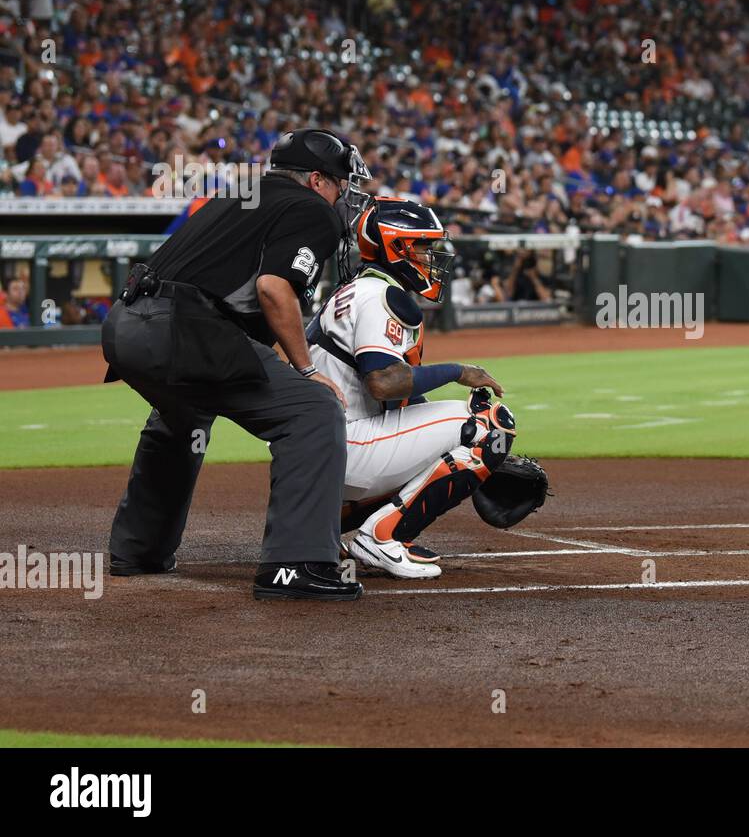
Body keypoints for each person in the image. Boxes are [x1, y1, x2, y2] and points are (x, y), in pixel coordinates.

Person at [102, 128, 368, 600]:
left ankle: (138, 549)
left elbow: (234, 300)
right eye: (339, 182)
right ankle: (295, 564)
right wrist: (307, 373)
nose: (344, 193)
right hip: (181, 329)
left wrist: (284, 356)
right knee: (312, 410)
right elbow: (273, 288)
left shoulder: (242, 196)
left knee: (183, 414)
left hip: (127, 324)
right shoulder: (311, 209)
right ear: (315, 180)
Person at [307, 199, 546, 579]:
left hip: (316, 455)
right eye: (422, 246)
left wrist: (472, 463)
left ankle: (317, 529)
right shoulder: (384, 296)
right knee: (489, 423)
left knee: (446, 439)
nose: (431, 256)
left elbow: (398, 398)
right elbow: (383, 383)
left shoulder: (351, 291)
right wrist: (458, 372)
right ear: (395, 247)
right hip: (348, 446)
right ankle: (382, 537)